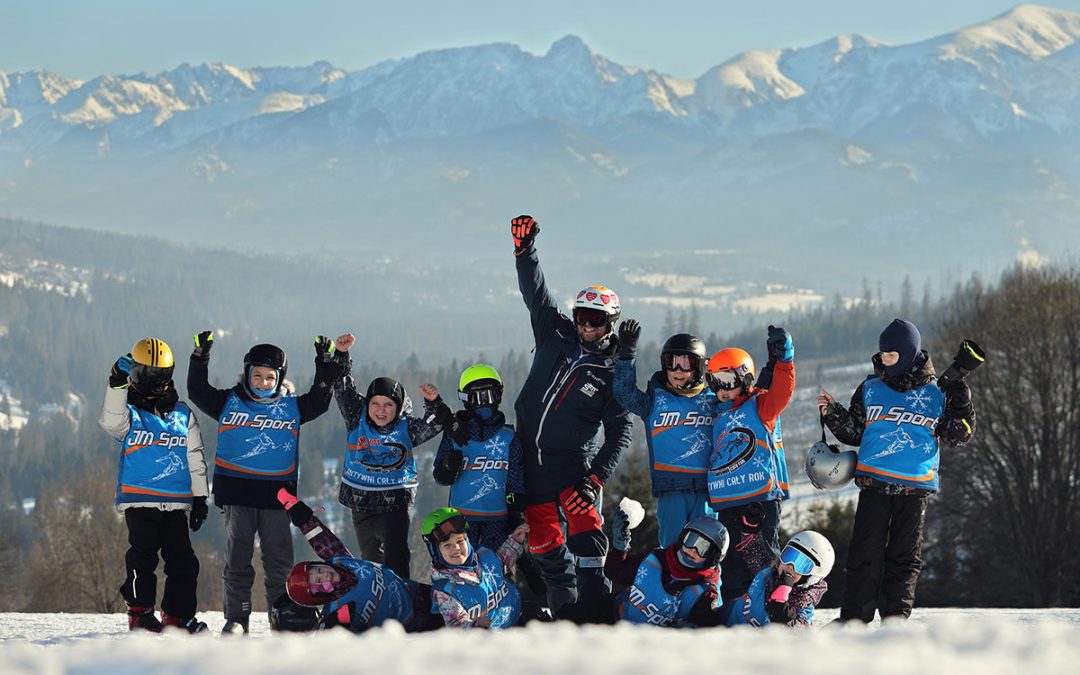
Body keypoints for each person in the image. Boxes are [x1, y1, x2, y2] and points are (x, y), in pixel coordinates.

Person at [509, 214, 633, 623]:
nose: (585, 324)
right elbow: (536, 293)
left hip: (571, 465)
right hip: (530, 459)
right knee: (544, 541)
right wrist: (525, 251)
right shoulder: (554, 332)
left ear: (610, 323)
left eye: (595, 321)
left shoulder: (613, 372)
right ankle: (564, 612)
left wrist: (594, 478)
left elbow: (620, 431)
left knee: (585, 529)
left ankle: (597, 605)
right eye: (581, 315)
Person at [817, 318, 976, 623]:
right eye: (883, 355)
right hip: (874, 485)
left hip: (914, 491)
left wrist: (963, 404)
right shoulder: (871, 387)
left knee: (904, 559)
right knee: (865, 555)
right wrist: (833, 414)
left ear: (908, 353)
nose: (885, 361)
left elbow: (960, 436)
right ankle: (854, 621)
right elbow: (855, 432)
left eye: (892, 355)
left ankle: (895, 622)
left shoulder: (937, 393)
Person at [186, 332, 343, 634]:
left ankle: (281, 618)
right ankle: (237, 619)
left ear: (280, 378)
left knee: (279, 564)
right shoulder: (228, 402)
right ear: (246, 374)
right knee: (237, 562)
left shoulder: (291, 407)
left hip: (276, 498)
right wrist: (199, 358)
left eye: (269, 377)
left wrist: (324, 363)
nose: (262, 382)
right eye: (256, 376)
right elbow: (197, 391)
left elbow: (320, 401)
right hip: (237, 496)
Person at [99, 337, 209, 633]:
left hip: (175, 503)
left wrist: (200, 499)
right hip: (140, 499)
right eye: (139, 373)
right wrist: (116, 384)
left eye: (153, 375)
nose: (146, 380)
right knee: (142, 558)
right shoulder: (129, 414)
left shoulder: (182, 415)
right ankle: (140, 613)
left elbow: (195, 457)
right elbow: (110, 422)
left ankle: (176, 616)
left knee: (184, 562)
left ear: (166, 375)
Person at [332, 332, 450, 579]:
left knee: (396, 557)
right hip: (361, 502)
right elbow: (342, 385)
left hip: (394, 502)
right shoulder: (356, 418)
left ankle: (402, 603)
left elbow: (436, 423)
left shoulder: (406, 427)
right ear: (367, 405)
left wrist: (434, 403)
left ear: (398, 408)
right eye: (376, 403)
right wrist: (342, 354)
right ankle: (377, 605)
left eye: (388, 405)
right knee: (370, 559)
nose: (381, 410)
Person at [705, 326, 795, 600]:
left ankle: (771, 608)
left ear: (743, 378)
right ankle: (735, 612)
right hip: (728, 501)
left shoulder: (761, 406)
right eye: (714, 380)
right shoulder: (715, 412)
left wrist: (785, 360)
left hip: (759, 498)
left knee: (762, 561)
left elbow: (781, 391)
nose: (721, 389)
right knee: (732, 564)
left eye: (727, 380)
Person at [277, 489, 443, 633]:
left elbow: (320, 538)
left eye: (319, 570)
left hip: (420, 593)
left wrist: (298, 512)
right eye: (319, 582)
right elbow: (326, 642)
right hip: (416, 626)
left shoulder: (341, 561)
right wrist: (336, 626)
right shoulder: (340, 609)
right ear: (318, 598)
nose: (325, 575)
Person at [613, 322, 716, 546]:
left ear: (699, 367)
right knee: (671, 550)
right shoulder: (655, 400)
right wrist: (627, 353)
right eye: (672, 362)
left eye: (686, 363)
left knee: (707, 550)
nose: (678, 371)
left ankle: (707, 583)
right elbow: (624, 393)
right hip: (671, 489)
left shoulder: (713, 400)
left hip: (707, 491)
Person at [432, 364, 525, 551]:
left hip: (498, 519)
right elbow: (440, 477)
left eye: (489, 395)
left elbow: (517, 479)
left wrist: (515, 514)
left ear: (498, 396)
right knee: (463, 568)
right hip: (461, 519)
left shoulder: (508, 437)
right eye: (477, 397)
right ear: (466, 400)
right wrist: (448, 467)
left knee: (497, 568)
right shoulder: (456, 435)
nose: (484, 403)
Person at [604, 502, 728, 627]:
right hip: (619, 625)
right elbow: (615, 572)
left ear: (712, 558)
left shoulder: (704, 593)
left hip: (653, 644)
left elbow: (707, 628)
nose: (693, 549)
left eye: (703, 548)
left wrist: (687, 630)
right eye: (691, 540)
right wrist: (619, 546)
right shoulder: (655, 559)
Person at [422, 507, 530, 629]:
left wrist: (515, 540)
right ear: (435, 552)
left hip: (520, 618)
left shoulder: (483, 555)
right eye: (447, 545)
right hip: (491, 640)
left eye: (460, 541)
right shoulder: (445, 589)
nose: (456, 548)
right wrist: (474, 627)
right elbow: (456, 623)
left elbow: (501, 563)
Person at [721, 514, 832, 629]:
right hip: (724, 618)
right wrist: (750, 526)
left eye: (802, 565)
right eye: (789, 555)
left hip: (741, 642)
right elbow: (754, 551)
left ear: (811, 577)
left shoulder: (803, 608)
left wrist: (781, 604)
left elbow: (798, 634)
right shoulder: (769, 572)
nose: (790, 566)